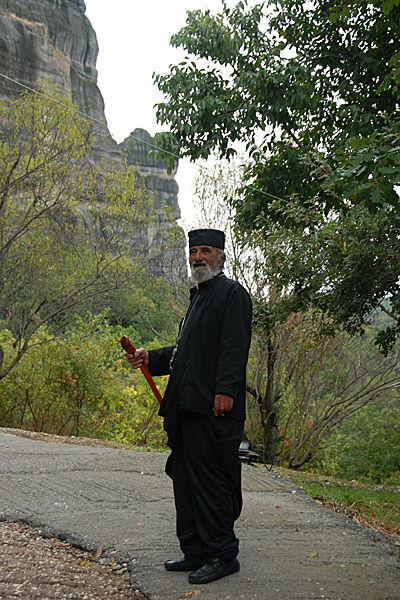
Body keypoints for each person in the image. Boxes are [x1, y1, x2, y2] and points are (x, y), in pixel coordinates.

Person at [126, 228, 252, 585]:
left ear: (222, 258)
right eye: (194, 251)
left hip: (214, 409)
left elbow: (233, 348)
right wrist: (151, 357)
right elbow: (185, 355)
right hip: (185, 408)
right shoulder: (197, 298)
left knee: (211, 482)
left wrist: (225, 391)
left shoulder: (232, 295)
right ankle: (195, 550)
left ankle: (223, 554)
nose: (198, 257)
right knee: (184, 479)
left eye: (206, 251)